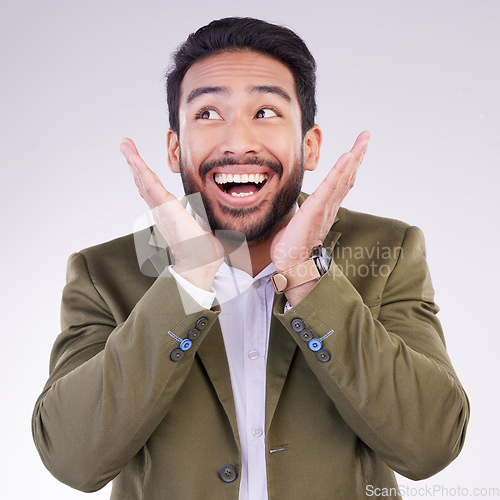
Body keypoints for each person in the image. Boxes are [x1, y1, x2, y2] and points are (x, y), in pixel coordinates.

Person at [32, 17, 469, 500]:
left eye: (265, 112)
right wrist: (189, 280)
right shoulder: (104, 273)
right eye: (208, 114)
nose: (238, 142)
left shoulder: (388, 252)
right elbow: (72, 459)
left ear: (310, 145)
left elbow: (432, 445)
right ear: (175, 150)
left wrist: (306, 275)